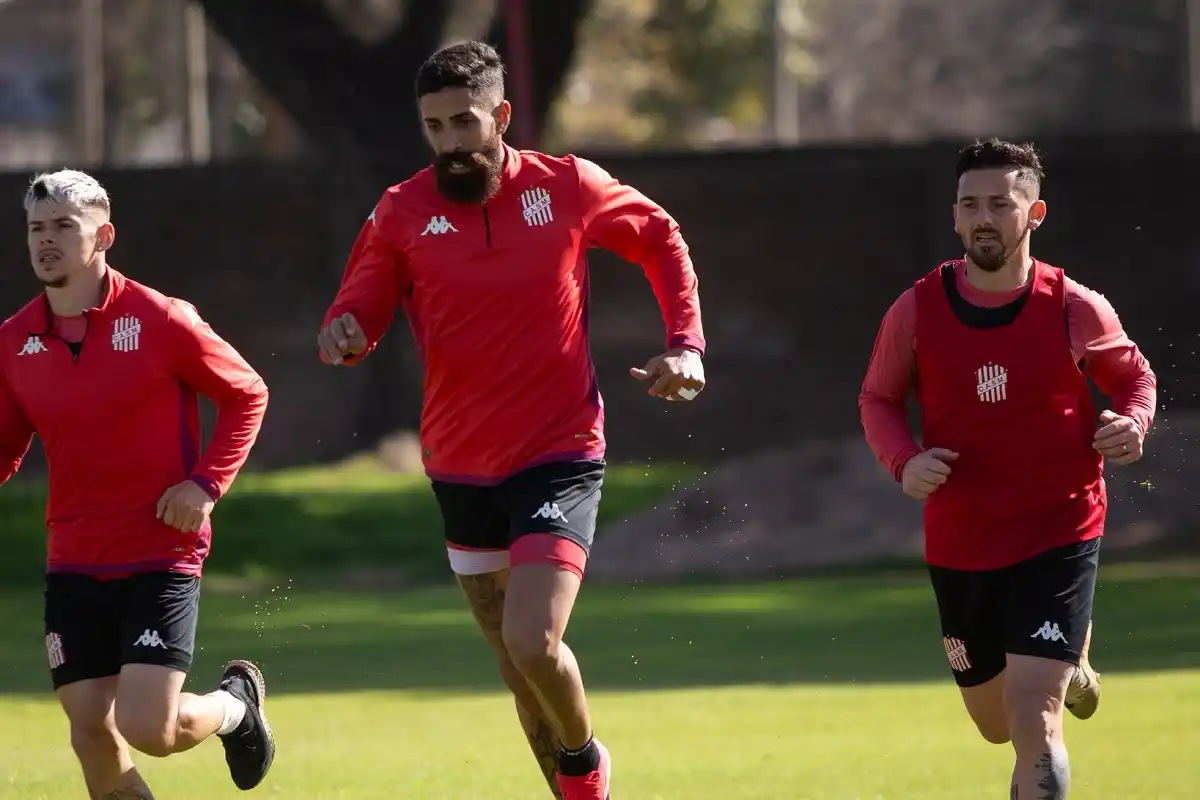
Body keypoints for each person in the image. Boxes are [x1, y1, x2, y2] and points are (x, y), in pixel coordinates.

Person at [317, 40, 706, 800]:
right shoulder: (400, 211)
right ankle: (568, 783)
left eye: (464, 123)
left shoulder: (568, 187)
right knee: (517, 667)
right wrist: (345, 332)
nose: (450, 143)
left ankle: (585, 764)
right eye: (434, 127)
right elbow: (358, 302)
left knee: (534, 638)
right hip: (459, 463)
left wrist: (686, 344)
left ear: (500, 115)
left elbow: (660, 238)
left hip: (559, 449)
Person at [859, 139, 1156, 799]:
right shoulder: (916, 310)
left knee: (1033, 719)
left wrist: (1130, 425)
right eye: (971, 205)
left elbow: (1134, 379)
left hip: (1059, 531)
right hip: (962, 541)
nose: (984, 217)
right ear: (955, 218)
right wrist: (904, 462)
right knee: (995, 723)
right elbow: (878, 398)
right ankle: (1072, 666)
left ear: (1035, 212)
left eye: (1001, 202)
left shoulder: (1075, 307)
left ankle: (1057, 666)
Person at [0, 170, 276, 799]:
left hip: (160, 552)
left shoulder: (160, 318)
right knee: (91, 730)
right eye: (37, 228)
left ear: (104, 235)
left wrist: (205, 484)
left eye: (65, 227)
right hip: (73, 559)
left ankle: (235, 706)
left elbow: (245, 394)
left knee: (148, 727)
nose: (47, 241)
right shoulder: (13, 342)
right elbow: (4, 444)